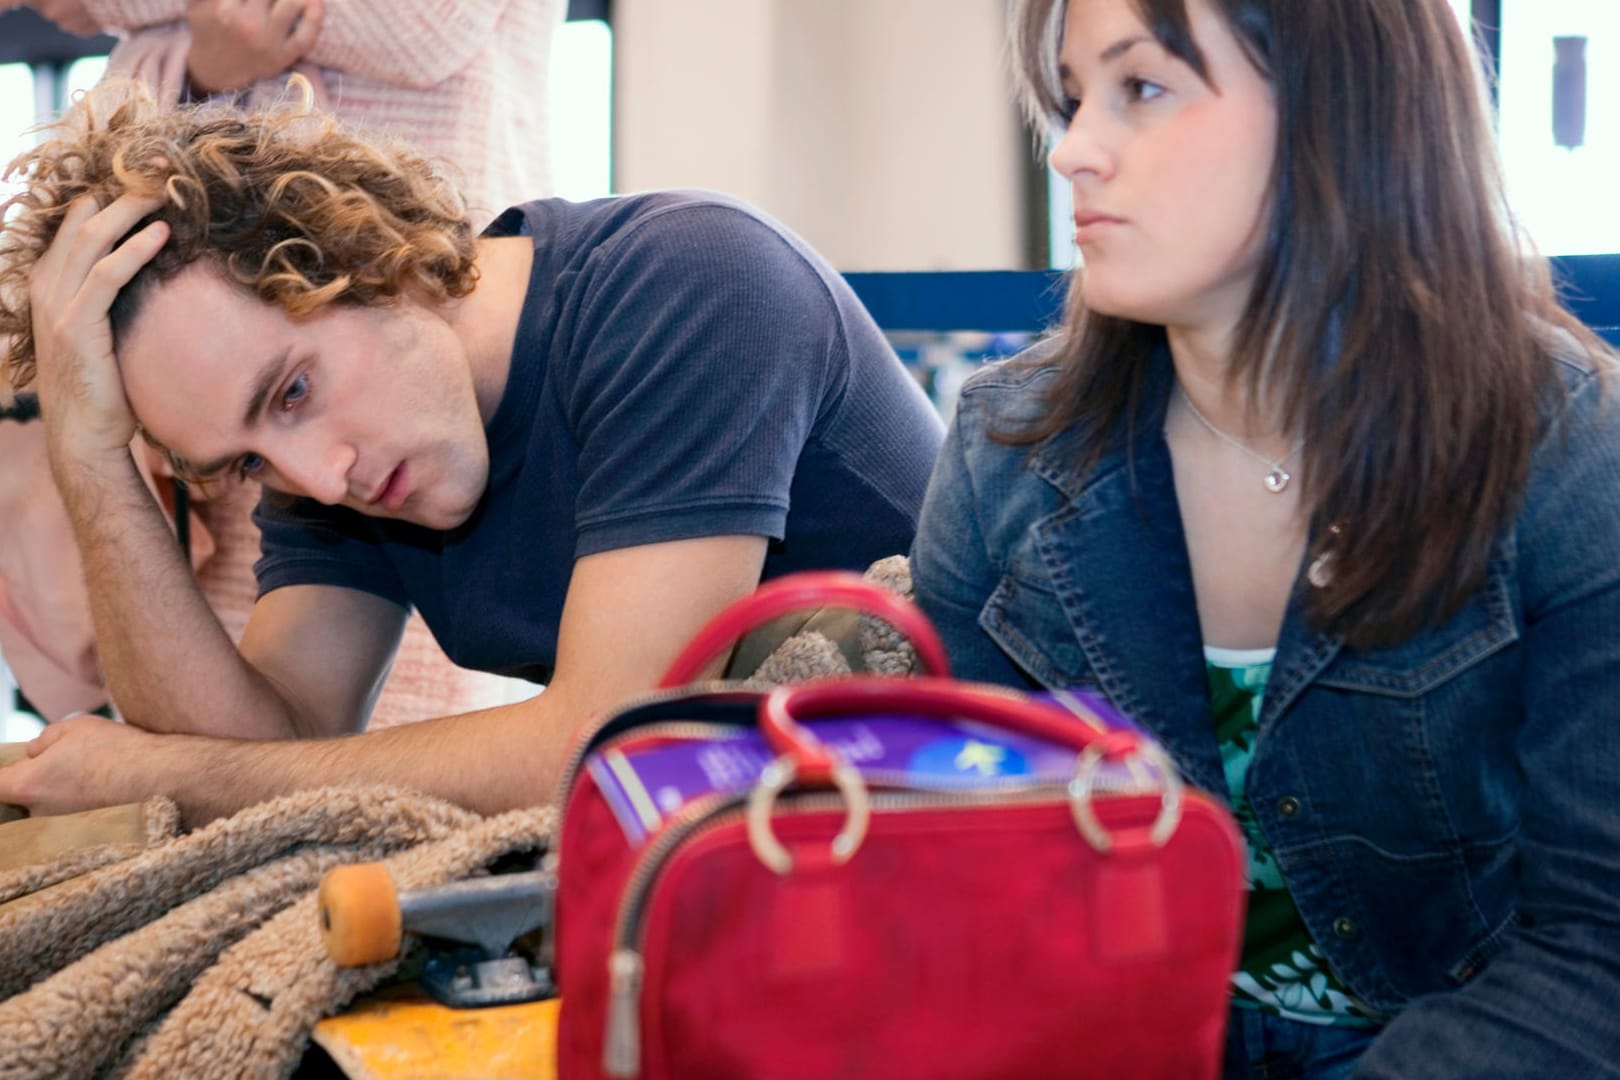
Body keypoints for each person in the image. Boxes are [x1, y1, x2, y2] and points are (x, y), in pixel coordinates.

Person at [910, 0, 1620, 1076]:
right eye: (1070, 98)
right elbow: (957, 882)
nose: (1074, 151)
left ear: (1342, 114)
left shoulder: (1564, 449)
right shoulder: (1006, 445)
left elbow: (1595, 952)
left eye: (1140, 88)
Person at [0, 82, 943, 825]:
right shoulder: (329, 460)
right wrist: (88, 458)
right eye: (247, 462)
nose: (321, 479)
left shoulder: (688, 282)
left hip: (983, 812)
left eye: (293, 391)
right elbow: (263, 742)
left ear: (368, 255)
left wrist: (169, 771)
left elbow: (601, 746)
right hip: (769, 835)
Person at [0, 0, 563, 728]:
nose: (320, 485)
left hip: (377, 306)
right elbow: (239, 759)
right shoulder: (291, 460)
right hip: (224, 325)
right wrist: (86, 447)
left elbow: (432, 24)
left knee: (416, 738)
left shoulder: (669, 283)